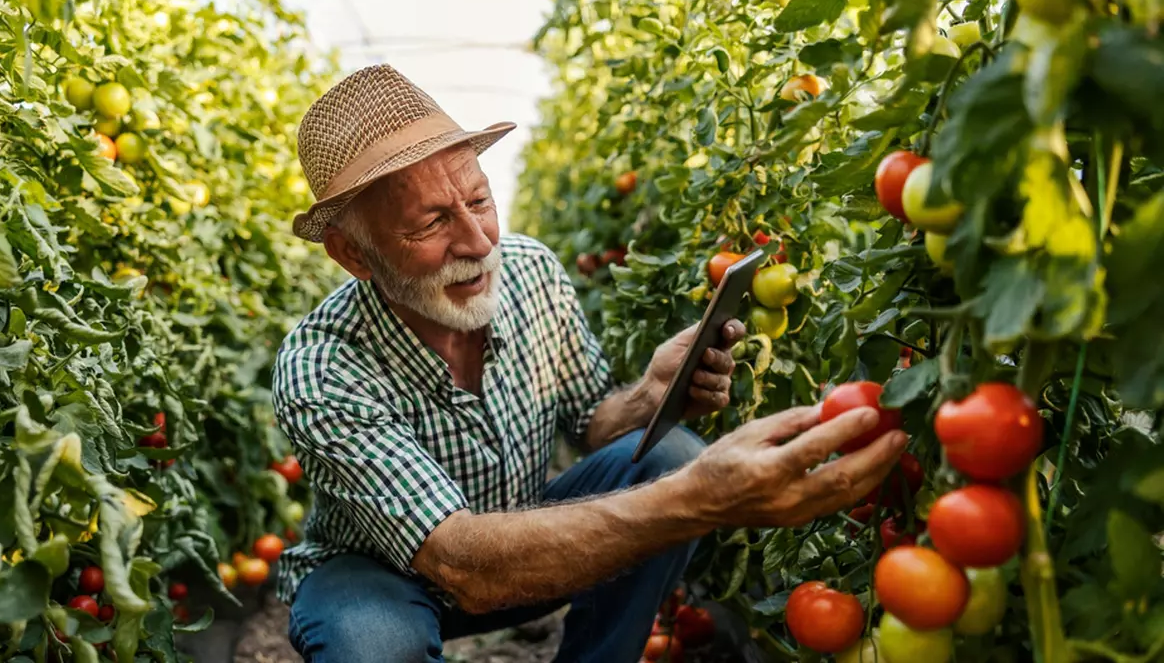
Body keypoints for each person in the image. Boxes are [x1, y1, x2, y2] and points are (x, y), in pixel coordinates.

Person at [273, 64, 907, 663]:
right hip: (386, 577)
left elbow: (588, 424)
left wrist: (650, 395)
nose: (477, 241)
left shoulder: (532, 273)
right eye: (432, 223)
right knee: (375, 640)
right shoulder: (323, 367)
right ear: (354, 254)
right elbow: (460, 561)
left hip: (529, 547)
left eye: (479, 200)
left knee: (669, 453)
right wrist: (702, 499)